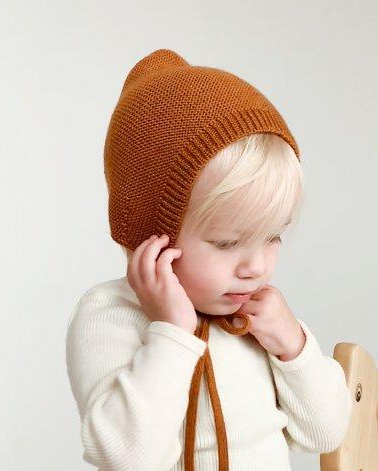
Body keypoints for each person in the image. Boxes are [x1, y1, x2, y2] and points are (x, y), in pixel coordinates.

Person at [65, 49, 352, 470]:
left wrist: (293, 347)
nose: (255, 267)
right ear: (152, 235)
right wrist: (171, 333)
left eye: (273, 237)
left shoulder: (255, 319)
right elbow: (126, 459)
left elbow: (325, 433)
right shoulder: (110, 315)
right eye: (226, 242)